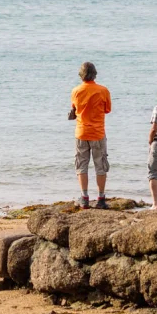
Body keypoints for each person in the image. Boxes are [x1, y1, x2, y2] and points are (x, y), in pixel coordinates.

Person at [69, 62, 111, 209]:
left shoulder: (75, 91)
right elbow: (107, 110)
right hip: (98, 133)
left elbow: (74, 110)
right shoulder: (103, 90)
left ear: (81, 75)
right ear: (95, 74)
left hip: (81, 132)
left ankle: (85, 197)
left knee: (81, 165)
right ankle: (100, 198)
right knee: (101, 166)